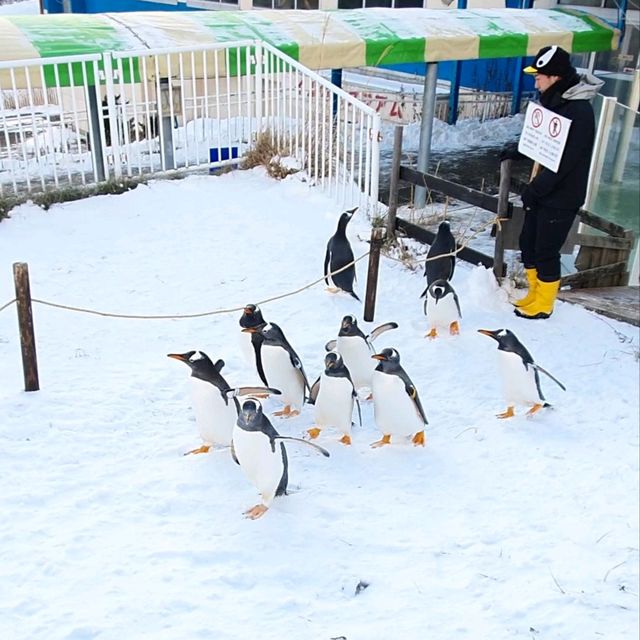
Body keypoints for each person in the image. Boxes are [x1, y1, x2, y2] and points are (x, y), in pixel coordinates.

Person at [501, 46, 604, 320]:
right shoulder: (553, 101)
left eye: (539, 76)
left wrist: (536, 189)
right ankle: (534, 293)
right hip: (543, 190)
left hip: (561, 196)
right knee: (528, 242)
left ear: (555, 77)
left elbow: (567, 160)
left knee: (546, 249)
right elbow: (543, 141)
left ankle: (545, 303)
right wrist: (518, 151)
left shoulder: (578, 110)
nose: (535, 81)